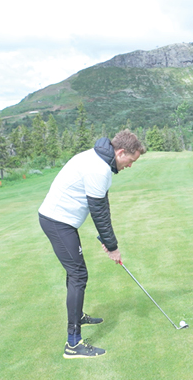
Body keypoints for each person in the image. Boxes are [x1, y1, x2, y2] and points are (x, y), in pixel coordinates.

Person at [38, 129, 146, 358]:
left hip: (63, 221)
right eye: (130, 160)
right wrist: (113, 247)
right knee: (78, 275)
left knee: (75, 272)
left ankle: (77, 318)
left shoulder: (100, 160)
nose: (130, 165)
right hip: (57, 222)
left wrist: (107, 241)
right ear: (120, 152)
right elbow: (99, 213)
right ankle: (73, 344)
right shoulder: (99, 168)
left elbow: (102, 204)